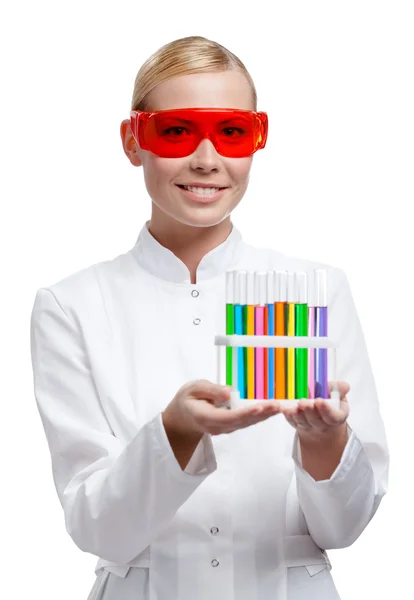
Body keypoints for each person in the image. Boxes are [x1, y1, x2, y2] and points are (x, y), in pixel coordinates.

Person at [29, 35, 389, 600]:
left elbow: (343, 529)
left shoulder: (310, 293)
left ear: (257, 138)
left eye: (231, 133)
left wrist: (326, 443)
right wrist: (174, 433)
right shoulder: (72, 305)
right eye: (175, 132)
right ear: (133, 140)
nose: (206, 159)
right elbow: (96, 527)